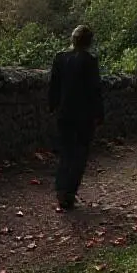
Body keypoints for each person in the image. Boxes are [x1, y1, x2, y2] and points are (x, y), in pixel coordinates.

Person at [48, 24, 104, 210]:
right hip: (84, 116)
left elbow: (54, 86)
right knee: (80, 153)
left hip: (64, 113)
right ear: (89, 42)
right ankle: (70, 192)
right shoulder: (90, 61)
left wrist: (52, 107)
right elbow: (95, 90)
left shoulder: (60, 58)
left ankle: (61, 190)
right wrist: (99, 114)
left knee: (66, 152)